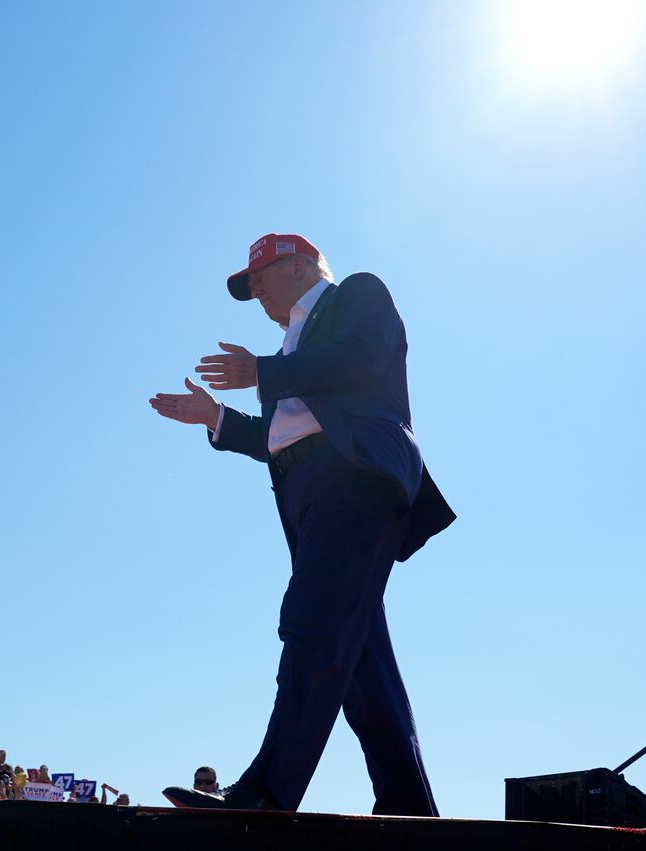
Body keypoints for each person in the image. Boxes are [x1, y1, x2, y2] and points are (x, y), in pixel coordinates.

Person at [151, 233, 453, 816]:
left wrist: (265, 372)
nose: (255, 289)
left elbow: (359, 359)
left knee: (313, 624)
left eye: (261, 275)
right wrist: (215, 417)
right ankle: (411, 810)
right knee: (364, 667)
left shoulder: (356, 296)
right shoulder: (290, 353)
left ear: (301, 265)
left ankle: (266, 793)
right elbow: (282, 439)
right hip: (314, 494)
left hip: (356, 477)